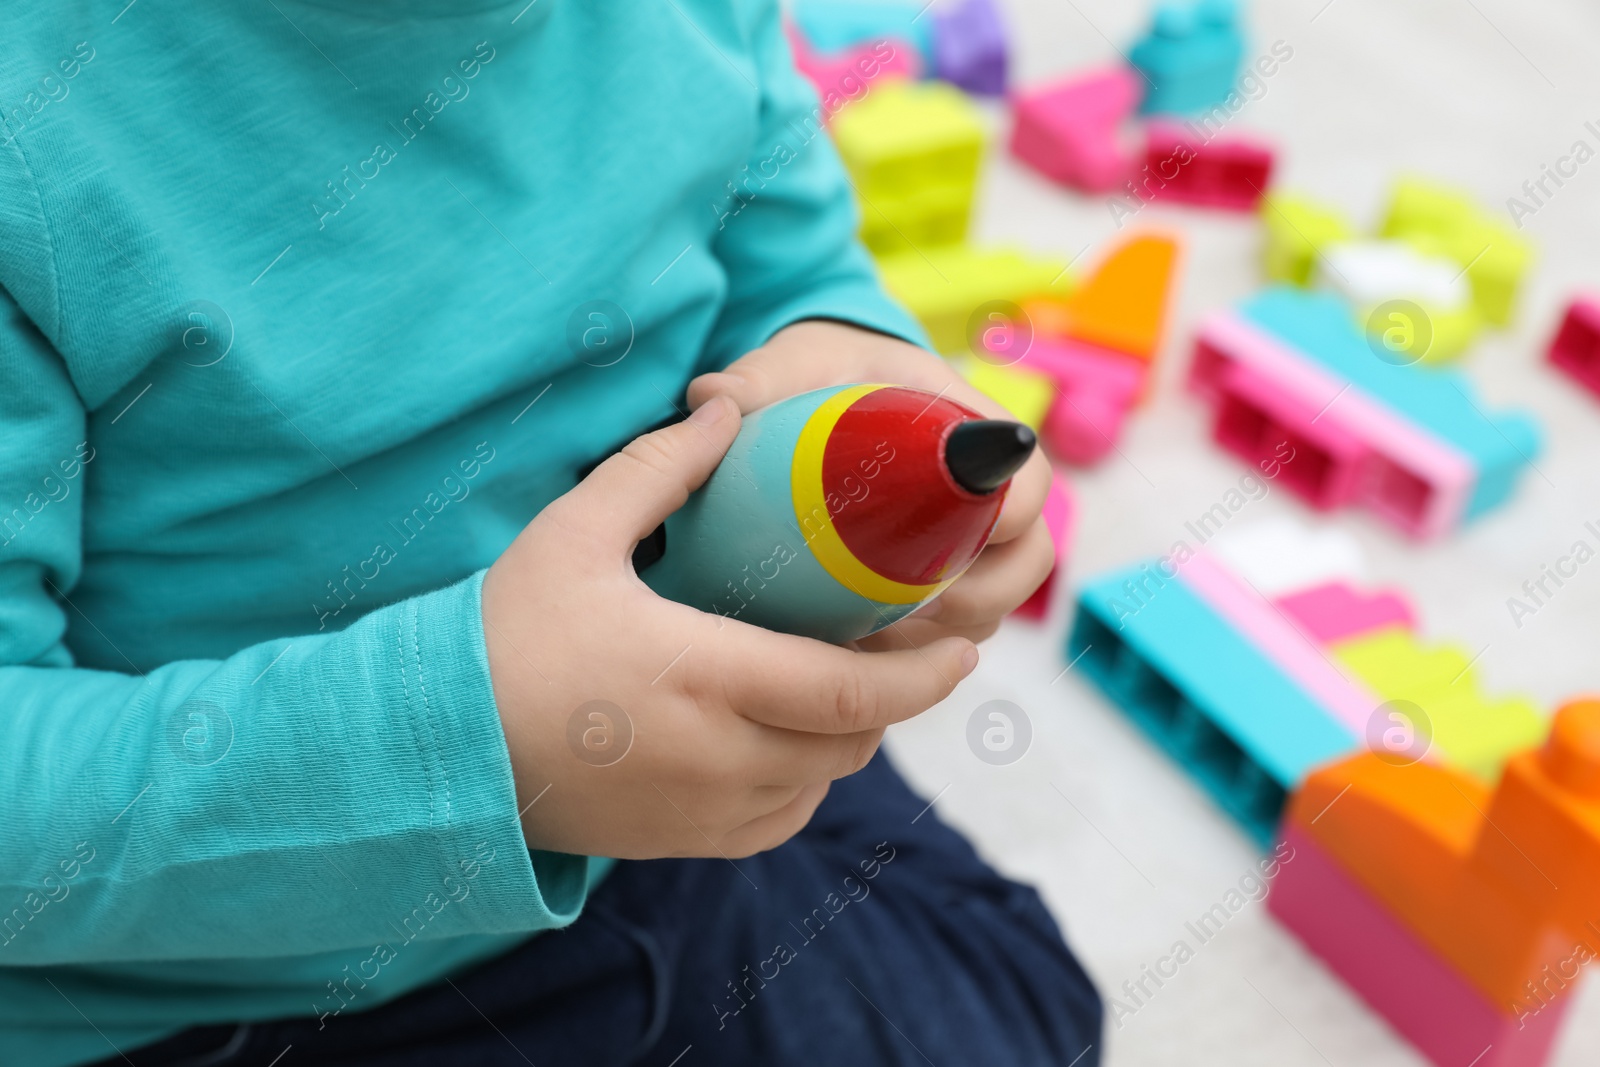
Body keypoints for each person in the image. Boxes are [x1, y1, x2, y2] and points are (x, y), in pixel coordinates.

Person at [0, 2, 1102, 1064]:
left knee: (1032, 1004)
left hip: (656, 708)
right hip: (247, 973)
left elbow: (789, 253)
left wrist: (851, 353)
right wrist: (478, 742)